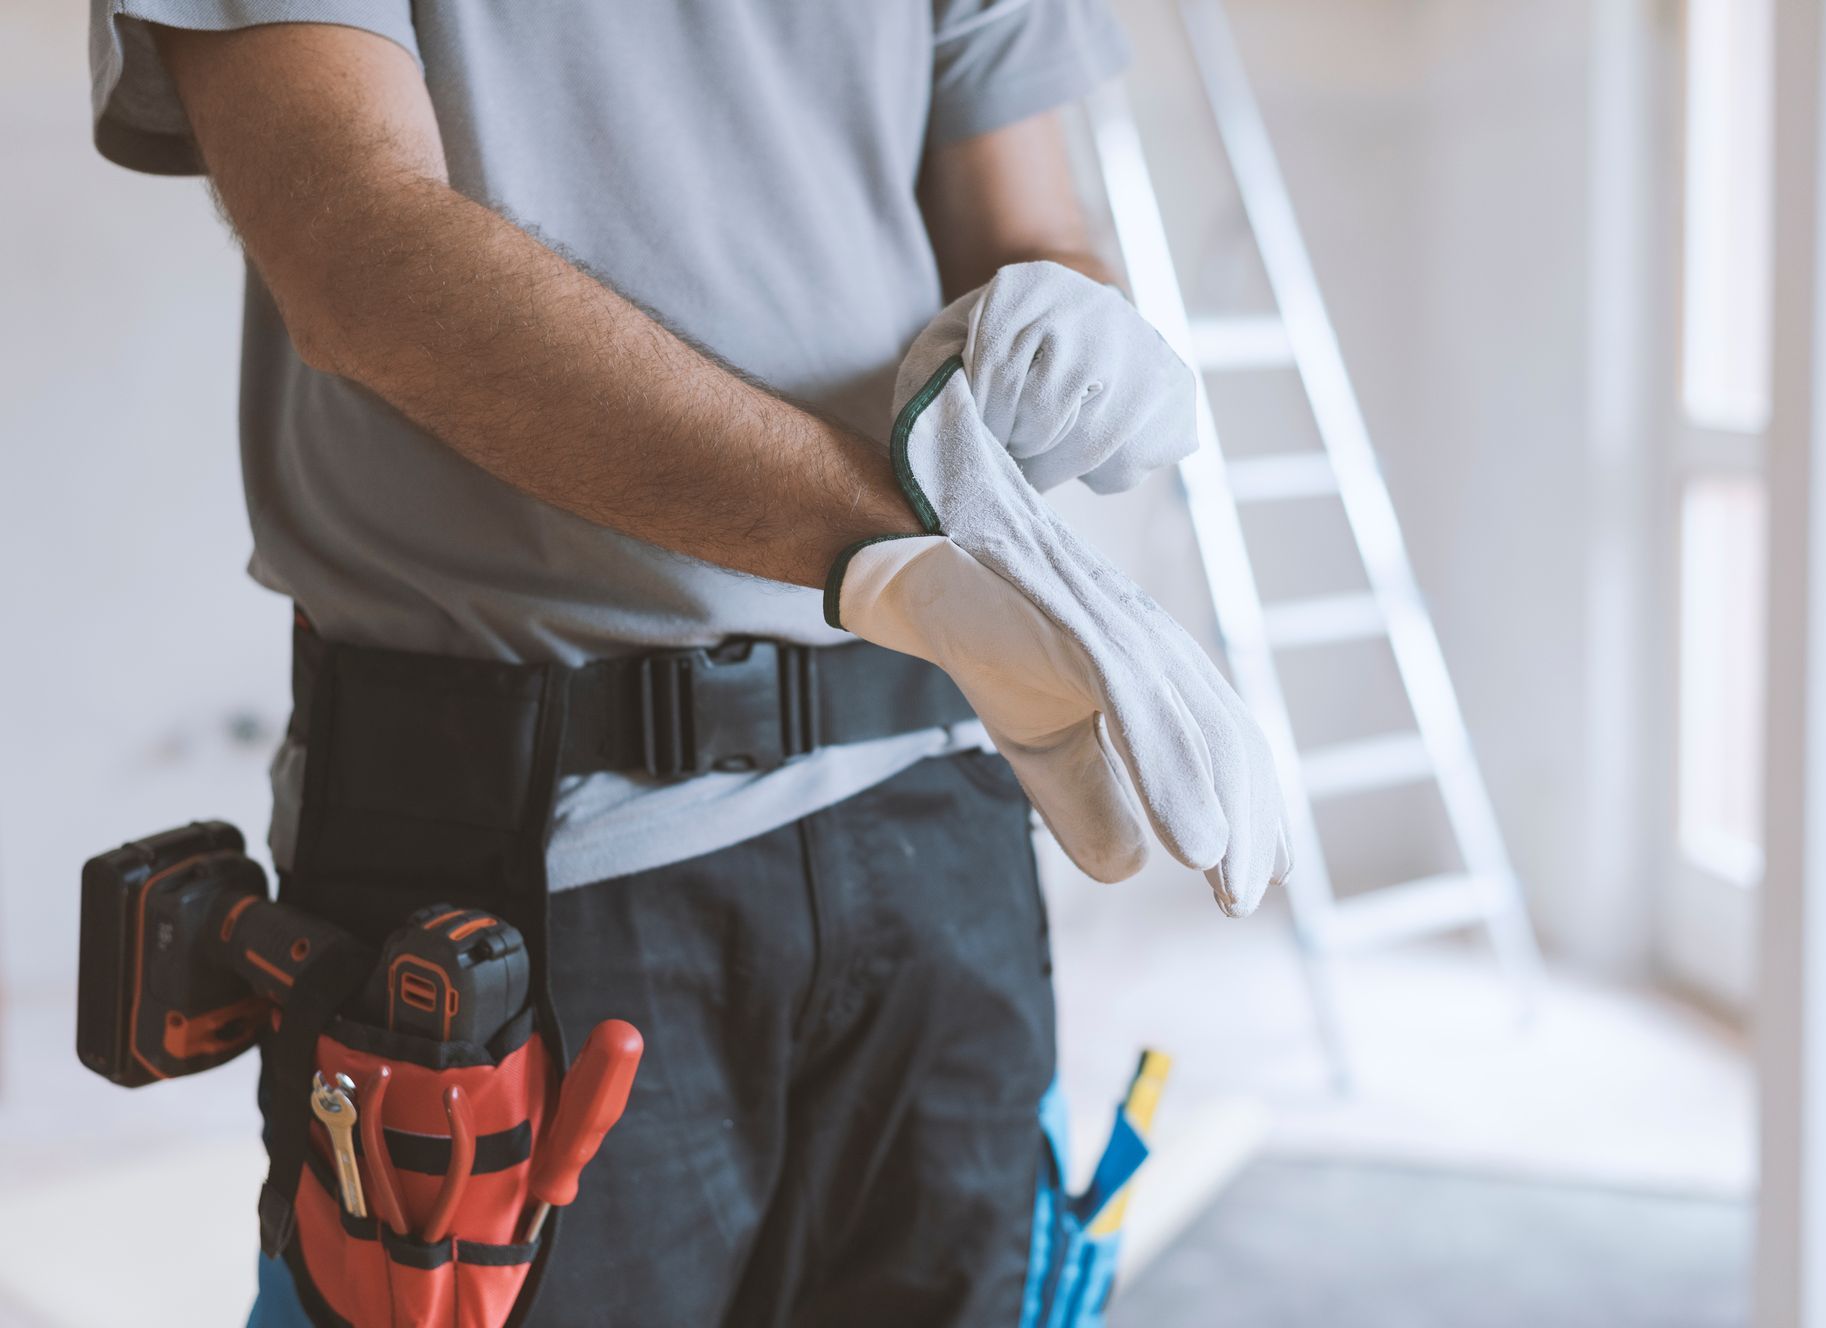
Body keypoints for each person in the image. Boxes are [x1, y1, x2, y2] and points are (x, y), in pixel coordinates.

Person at [88, 4, 1284, 1324]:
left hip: (934, 790)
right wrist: (900, 557)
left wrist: (1072, 328)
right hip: (529, 852)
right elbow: (352, 238)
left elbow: (1025, 220)